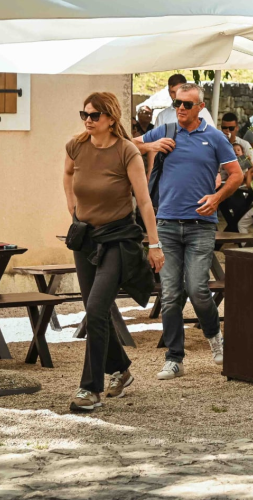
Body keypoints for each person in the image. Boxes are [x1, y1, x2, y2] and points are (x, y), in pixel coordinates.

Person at [64, 92, 162, 413]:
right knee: (98, 311)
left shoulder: (127, 151)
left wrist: (154, 243)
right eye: (84, 114)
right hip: (85, 239)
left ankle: (89, 389)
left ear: (110, 118)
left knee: (94, 308)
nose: (88, 120)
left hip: (119, 239)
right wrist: (72, 208)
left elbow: (144, 201)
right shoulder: (77, 146)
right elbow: (68, 174)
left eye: (94, 115)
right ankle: (121, 370)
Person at [136, 83, 240, 379]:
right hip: (166, 224)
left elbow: (236, 175)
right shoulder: (165, 131)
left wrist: (217, 197)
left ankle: (214, 336)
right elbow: (127, 145)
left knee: (197, 289)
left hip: (200, 227)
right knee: (170, 294)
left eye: (187, 105)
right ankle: (174, 358)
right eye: (177, 103)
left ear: (200, 108)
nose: (180, 108)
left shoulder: (215, 138)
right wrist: (150, 146)